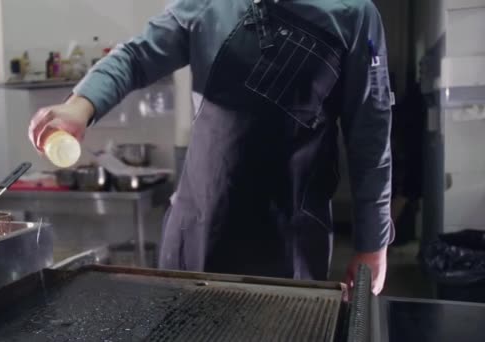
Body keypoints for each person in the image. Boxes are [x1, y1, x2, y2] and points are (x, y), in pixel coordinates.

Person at [29, 0, 394, 294]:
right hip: (194, 234)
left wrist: (373, 243)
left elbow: (370, 137)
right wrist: (79, 107)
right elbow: (135, 57)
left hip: (288, 243)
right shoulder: (205, 5)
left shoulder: (353, 14)